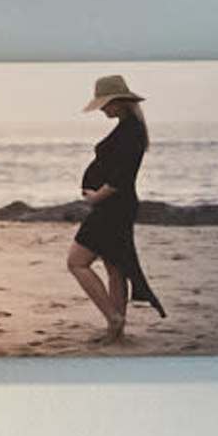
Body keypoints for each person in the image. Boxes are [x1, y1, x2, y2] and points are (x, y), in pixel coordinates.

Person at [64, 74, 166, 341]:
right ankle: (116, 331)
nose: (103, 109)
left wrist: (97, 197)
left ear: (120, 102)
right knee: (115, 266)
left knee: (76, 262)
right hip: (118, 206)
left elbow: (122, 177)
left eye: (106, 104)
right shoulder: (130, 127)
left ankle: (113, 317)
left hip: (112, 207)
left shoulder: (130, 131)